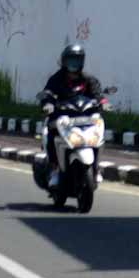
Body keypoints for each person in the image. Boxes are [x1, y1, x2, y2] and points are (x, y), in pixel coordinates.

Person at [39, 44, 101, 186]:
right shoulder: (56, 79)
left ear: (82, 62)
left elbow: (97, 94)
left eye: (77, 60)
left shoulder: (88, 79)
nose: (74, 64)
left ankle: (96, 168)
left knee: (99, 128)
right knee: (51, 132)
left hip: (84, 117)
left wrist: (102, 102)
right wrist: (47, 104)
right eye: (71, 60)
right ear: (64, 61)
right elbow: (47, 93)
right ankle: (55, 168)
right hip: (63, 117)